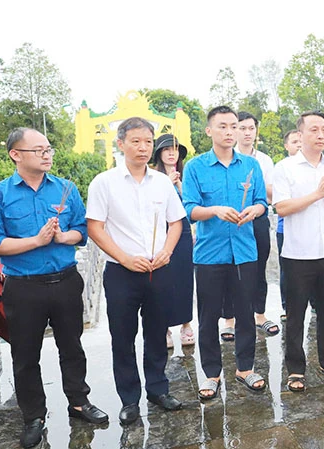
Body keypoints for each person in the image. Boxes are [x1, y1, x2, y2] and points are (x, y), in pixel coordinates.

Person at [0, 128, 108, 448]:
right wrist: (35, 241)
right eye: (38, 150)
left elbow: (82, 229)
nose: (47, 154)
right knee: (25, 355)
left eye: (48, 148)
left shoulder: (65, 188)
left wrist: (64, 237)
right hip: (24, 287)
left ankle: (79, 402)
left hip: (64, 281)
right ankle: (33, 416)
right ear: (16, 155)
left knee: (72, 348)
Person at [87, 117, 185, 426]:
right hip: (122, 272)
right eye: (135, 141)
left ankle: (158, 389)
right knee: (123, 337)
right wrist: (126, 258)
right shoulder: (104, 182)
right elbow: (95, 228)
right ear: (121, 144)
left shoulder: (161, 182)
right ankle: (129, 399)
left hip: (158, 269)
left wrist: (167, 252)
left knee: (157, 333)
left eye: (147, 142)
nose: (143, 148)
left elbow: (176, 222)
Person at [182, 106, 268, 399]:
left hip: (244, 252)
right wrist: (216, 210)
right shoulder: (195, 167)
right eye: (223, 126)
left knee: (245, 313)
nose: (230, 132)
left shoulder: (250, 166)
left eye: (234, 126)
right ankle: (211, 373)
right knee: (208, 317)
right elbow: (190, 210)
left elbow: (261, 203)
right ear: (209, 131)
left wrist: (254, 210)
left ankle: (245, 367)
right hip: (209, 254)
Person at [272, 111, 324, 392]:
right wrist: (318, 194)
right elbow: (281, 207)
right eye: (314, 130)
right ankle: (295, 368)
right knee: (296, 314)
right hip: (297, 254)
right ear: (301, 134)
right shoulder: (285, 167)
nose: (320, 135)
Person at [224, 111, 279, 337]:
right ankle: (229, 319)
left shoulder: (263, 160)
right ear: (234, 130)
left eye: (251, 129)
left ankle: (260, 314)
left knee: (258, 267)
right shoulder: (226, 156)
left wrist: (253, 183)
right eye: (242, 128)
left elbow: (272, 193)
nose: (247, 133)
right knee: (228, 268)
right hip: (231, 220)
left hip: (257, 219)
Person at [152, 134, 196, 348]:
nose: (171, 153)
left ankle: (186, 324)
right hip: (161, 234)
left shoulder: (187, 175)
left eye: (175, 149)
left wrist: (179, 185)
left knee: (184, 278)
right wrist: (167, 184)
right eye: (166, 149)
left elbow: (191, 205)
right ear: (159, 153)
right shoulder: (152, 177)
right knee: (163, 281)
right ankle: (164, 327)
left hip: (185, 234)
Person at [276, 129, 303, 321]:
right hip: (285, 229)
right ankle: (288, 306)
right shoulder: (283, 168)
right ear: (286, 146)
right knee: (288, 271)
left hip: (309, 230)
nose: (299, 145)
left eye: (301, 141)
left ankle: (315, 305)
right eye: (294, 142)